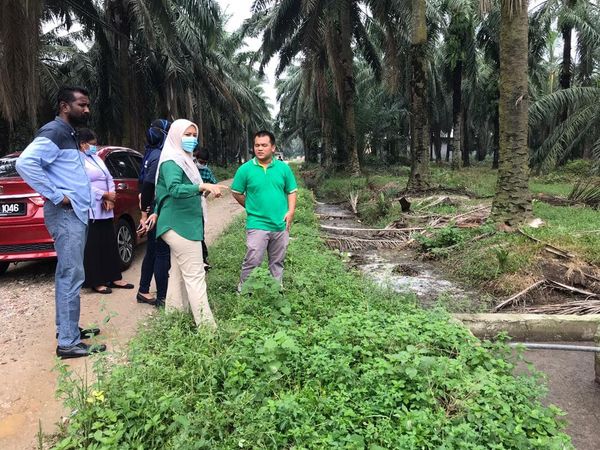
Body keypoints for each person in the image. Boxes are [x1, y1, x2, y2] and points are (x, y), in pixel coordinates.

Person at [15, 86, 106, 359]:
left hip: (74, 213)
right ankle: (68, 342)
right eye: (81, 105)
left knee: (67, 273)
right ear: (65, 106)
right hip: (66, 214)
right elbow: (25, 163)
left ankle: (67, 329)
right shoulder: (54, 132)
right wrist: (57, 195)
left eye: (88, 105)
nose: (87, 109)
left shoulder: (70, 133)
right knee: (71, 275)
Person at [146, 119, 222, 328]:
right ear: (175, 136)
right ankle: (208, 331)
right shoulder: (173, 161)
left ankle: (174, 317)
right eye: (186, 135)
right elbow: (174, 189)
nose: (191, 139)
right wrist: (201, 187)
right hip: (179, 225)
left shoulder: (184, 159)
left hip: (184, 222)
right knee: (196, 276)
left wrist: (204, 190)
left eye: (194, 135)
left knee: (178, 274)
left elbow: (170, 191)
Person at [231, 130, 297, 289]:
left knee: (277, 261)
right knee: (253, 259)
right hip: (257, 223)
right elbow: (236, 192)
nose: (260, 148)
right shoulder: (245, 169)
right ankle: (245, 291)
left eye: (264, 145)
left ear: (273, 147)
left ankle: (276, 289)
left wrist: (291, 211)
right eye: (257, 145)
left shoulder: (283, 168)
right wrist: (250, 206)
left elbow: (292, 191)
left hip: (280, 223)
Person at [78, 128, 134, 294]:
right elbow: (84, 184)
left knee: (109, 242)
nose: (94, 147)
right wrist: (103, 195)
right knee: (94, 245)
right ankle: (97, 281)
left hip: (106, 207)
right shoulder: (78, 161)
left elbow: (108, 177)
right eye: (92, 144)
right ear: (82, 144)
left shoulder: (96, 158)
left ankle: (114, 277)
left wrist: (111, 197)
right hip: (92, 207)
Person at [136, 120, 172, 307]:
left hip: (151, 207)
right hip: (156, 210)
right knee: (161, 252)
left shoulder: (150, 153)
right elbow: (149, 185)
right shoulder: (159, 156)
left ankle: (143, 289)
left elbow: (142, 184)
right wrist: (144, 215)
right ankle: (163, 297)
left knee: (152, 251)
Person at [193, 146, 218, 270]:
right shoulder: (190, 168)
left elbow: (214, 184)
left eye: (204, 163)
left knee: (199, 231)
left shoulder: (206, 171)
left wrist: (204, 195)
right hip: (187, 202)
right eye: (200, 162)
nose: (202, 164)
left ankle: (203, 259)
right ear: (195, 158)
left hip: (199, 203)